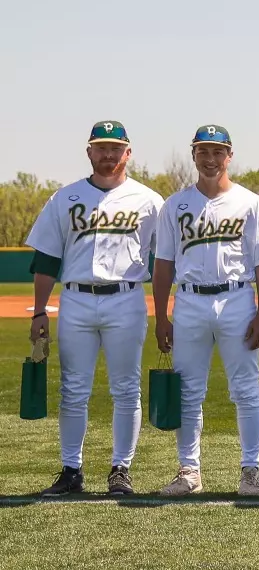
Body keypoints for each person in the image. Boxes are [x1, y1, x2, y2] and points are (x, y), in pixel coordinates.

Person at [29, 121, 164, 497]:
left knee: (126, 389)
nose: (108, 155)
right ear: (89, 152)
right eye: (101, 148)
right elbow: (45, 260)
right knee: (73, 389)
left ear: (128, 152)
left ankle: (121, 469)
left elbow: (168, 257)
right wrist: (40, 311)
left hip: (126, 297)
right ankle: (71, 469)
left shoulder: (149, 200)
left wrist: (169, 311)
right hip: (74, 299)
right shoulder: (64, 198)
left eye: (115, 148)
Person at [152, 125, 259, 497]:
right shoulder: (174, 205)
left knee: (246, 389)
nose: (210, 159)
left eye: (217, 152)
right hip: (189, 299)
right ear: (193, 155)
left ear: (230, 155)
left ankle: (251, 470)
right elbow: (162, 265)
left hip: (237, 298)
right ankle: (189, 471)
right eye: (203, 152)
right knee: (188, 391)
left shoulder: (252, 203)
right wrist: (161, 317)